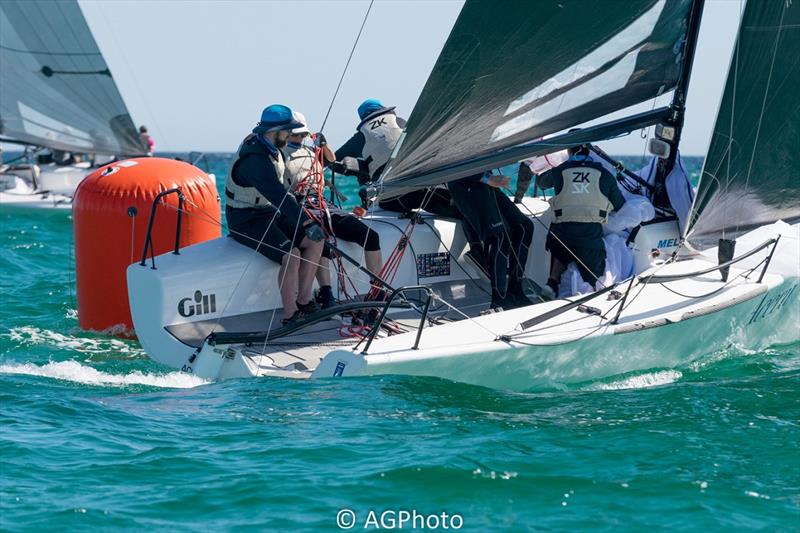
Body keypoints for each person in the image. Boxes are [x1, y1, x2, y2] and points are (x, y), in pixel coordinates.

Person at [225, 104, 325, 325]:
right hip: (244, 219)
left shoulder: (271, 145)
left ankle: (304, 301)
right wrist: (307, 221)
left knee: (316, 242)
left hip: (266, 211)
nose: (290, 135)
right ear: (275, 131)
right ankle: (290, 314)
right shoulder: (255, 160)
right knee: (291, 254)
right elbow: (278, 195)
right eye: (287, 130)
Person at [282, 112, 383, 309]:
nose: (300, 138)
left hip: (324, 205)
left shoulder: (311, 151)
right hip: (299, 207)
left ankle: (377, 291)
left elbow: (330, 159)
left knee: (370, 236)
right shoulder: (279, 155)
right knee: (319, 240)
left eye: (303, 134)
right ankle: (326, 295)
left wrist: (323, 144)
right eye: (296, 135)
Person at [536, 144, 626, 294]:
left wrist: (562, 165)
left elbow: (541, 183)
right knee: (594, 279)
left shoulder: (560, 171)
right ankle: (589, 289)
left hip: (561, 237)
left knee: (561, 249)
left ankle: (553, 281)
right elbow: (619, 204)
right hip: (589, 239)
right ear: (588, 151)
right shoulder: (604, 174)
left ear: (568, 151)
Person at [448, 171, 535, 310]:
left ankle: (515, 290)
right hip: (465, 183)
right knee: (500, 235)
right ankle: (498, 299)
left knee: (525, 227)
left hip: (485, 182)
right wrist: (488, 178)